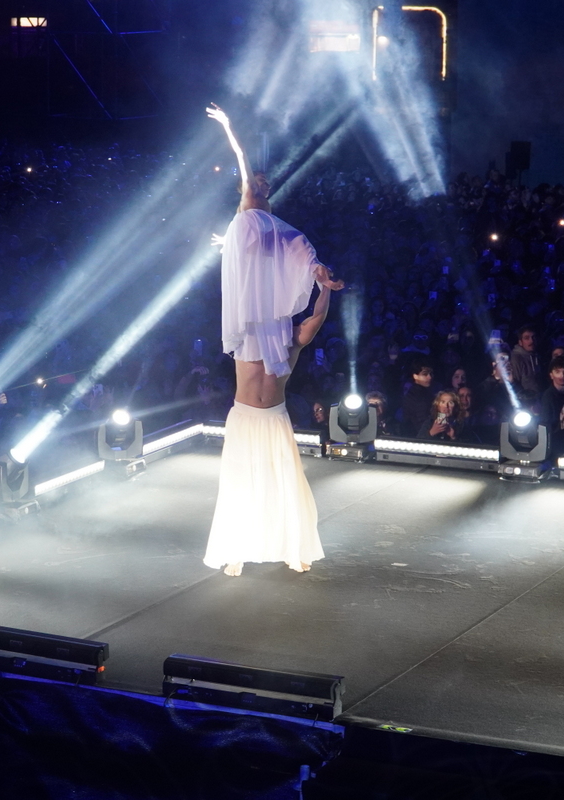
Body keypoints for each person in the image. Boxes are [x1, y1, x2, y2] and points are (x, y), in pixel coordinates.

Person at [204, 104, 344, 578]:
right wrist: (227, 126)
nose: (258, 186)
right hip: (245, 419)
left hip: (275, 418)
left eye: (263, 185)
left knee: (286, 482)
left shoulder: (286, 342)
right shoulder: (247, 336)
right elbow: (243, 161)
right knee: (241, 483)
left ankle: (295, 547)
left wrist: (322, 287)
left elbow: (314, 321)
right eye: (255, 184)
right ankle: (236, 549)